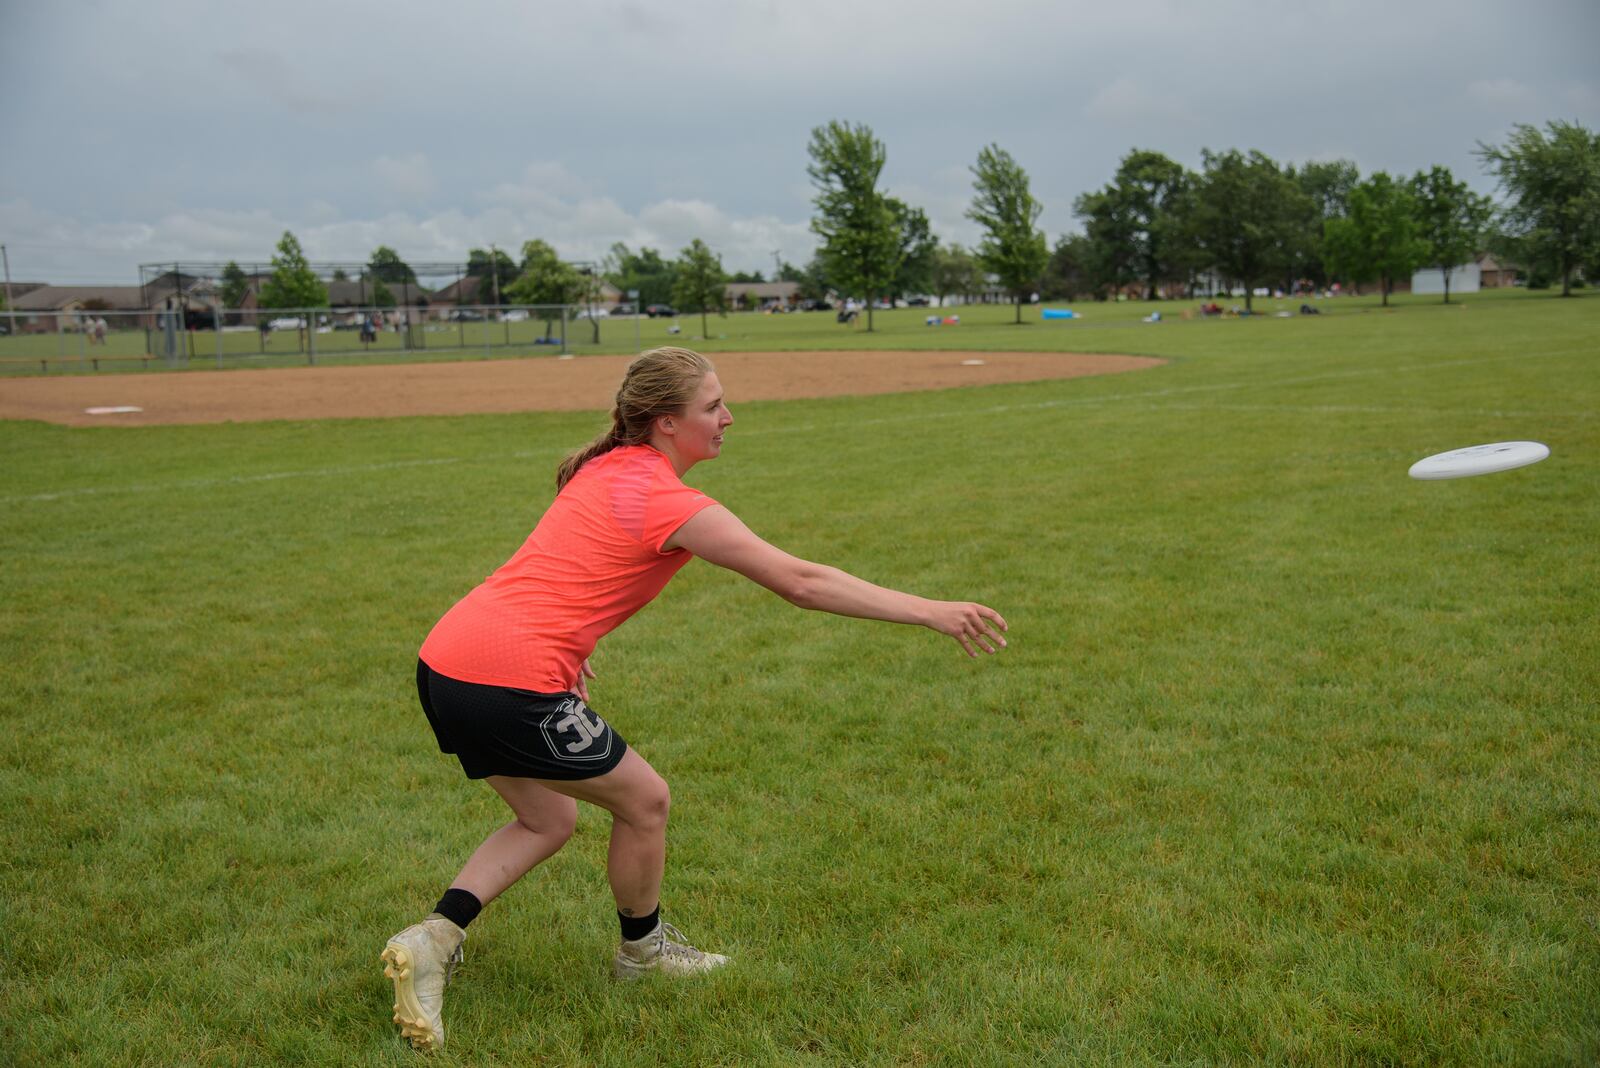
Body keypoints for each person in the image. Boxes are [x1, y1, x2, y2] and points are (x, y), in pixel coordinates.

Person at [382, 347, 1008, 1052]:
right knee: (645, 802)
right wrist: (931, 610)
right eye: (713, 407)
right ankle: (642, 956)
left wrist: (572, 655)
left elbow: (570, 564)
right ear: (664, 423)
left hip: (446, 664)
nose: (728, 418)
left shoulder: (603, 467)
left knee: (547, 819)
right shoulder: (669, 501)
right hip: (507, 680)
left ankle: (434, 938)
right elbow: (800, 581)